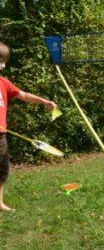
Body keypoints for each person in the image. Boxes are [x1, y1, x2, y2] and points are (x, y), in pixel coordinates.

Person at [0, 41, 57, 211]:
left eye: (4, 62)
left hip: (0, 136)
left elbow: (23, 95)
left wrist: (44, 101)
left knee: (2, 170)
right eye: (1, 61)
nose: (3, 66)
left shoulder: (3, 82)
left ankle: (0, 204)